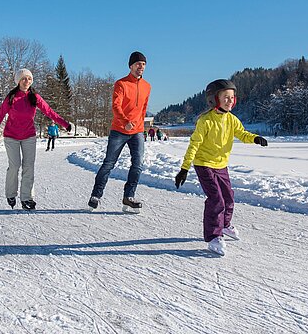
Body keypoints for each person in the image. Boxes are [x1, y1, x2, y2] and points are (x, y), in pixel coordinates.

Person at [174, 79, 268, 256]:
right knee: (216, 199)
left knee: (228, 197)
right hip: (204, 164)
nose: (230, 101)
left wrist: (255, 138)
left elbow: (242, 133)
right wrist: (184, 168)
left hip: (221, 165)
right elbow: (194, 145)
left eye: (232, 97)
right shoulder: (205, 121)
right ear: (214, 99)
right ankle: (212, 236)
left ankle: (224, 225)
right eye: (225, 97)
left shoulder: (232, 119)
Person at [0, 68, 71, 210]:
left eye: (29, 78)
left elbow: (49, 111)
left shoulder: (35, 97)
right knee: (14, 166)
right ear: (18, 81)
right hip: (11, 136)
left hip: (29, 136)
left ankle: (26, 198)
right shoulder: (11, 97)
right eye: (24, 78)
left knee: (29, 167)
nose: (27, 81)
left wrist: (65, 124)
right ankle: (10, 193)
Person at [88, 51, 151, 213]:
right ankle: (96, 195)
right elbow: (116, 106)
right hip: (119, 129)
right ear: (131, 66)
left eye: (143, 64)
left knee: (138, 164)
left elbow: (143, 109)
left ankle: (128, 197)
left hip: (137, 131)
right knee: (109, 163)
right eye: (138, 64)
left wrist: (140, 127)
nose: (141, 67)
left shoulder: (147, 86)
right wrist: (125, 121)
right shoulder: (121, 84)